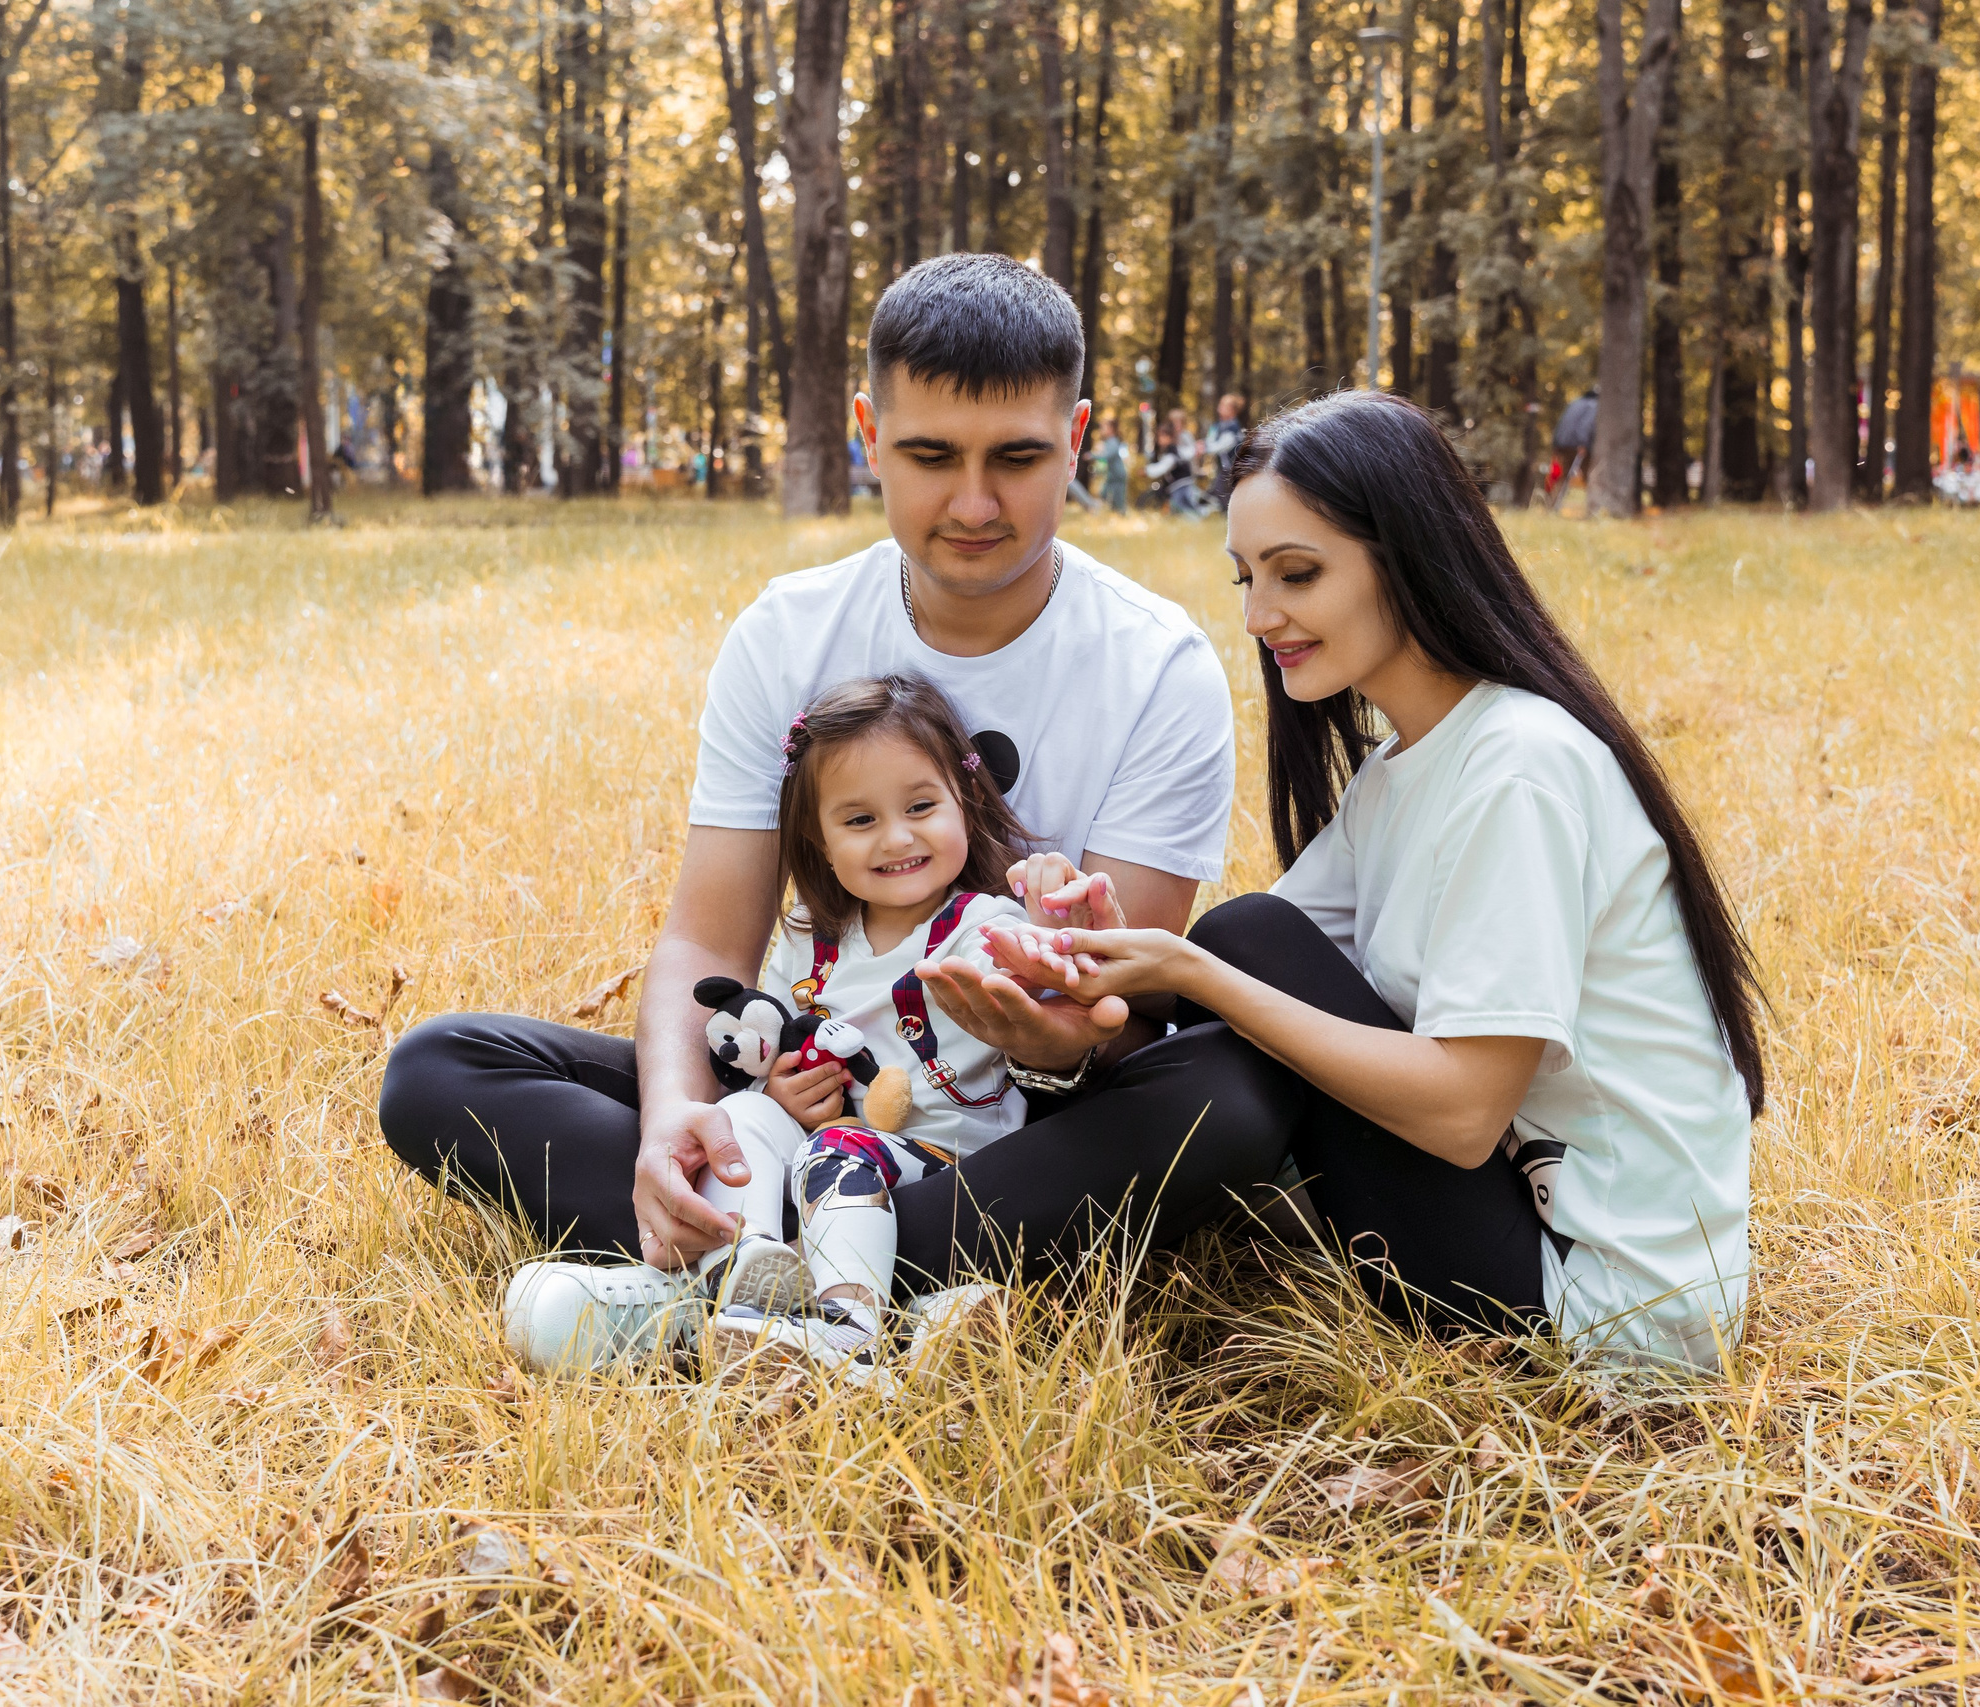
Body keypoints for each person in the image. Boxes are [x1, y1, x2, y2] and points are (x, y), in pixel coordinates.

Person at [377, 252, 1285, 1370]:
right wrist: (670, 1124)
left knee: (1235, 1099)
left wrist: (1045, 1033)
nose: (973, 503)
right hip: (813, 1080)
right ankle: (869, 1293)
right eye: (928, 455)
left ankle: (721, 1289)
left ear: (1079, 439)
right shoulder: (788, 631)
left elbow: (1120, 1012)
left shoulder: (1156, 664)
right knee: (439, 1070)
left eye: (1017, 458)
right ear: (867, 432)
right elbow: (709, 940)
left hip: (1011, 1125)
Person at [983, 390, 1764, 1368]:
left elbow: (1463, 1112)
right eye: (1246, 580)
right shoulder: (1408, 767)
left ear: (1404, 554)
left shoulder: (1518, 767)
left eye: (1297, 574)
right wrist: (1093, 935)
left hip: (1602, 1308)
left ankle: (902, 1245)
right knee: (1241, 952)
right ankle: (924, 1234)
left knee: (1233, 960)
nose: (1261, 616)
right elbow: (1246, 969)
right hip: (1520, 1228)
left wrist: (1190, 975)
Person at [666, 674, 1043, 1381]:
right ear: (818, 836)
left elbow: (1039, 998)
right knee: (737, 1112)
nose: (897, 837)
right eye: (860, 820)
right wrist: (779, 1089)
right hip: (814, 1166)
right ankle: (742, 1269)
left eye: (922, 806)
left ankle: (851, 1330)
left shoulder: (987, 927)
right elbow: (770, 1037)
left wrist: (1050, 934)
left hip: (945, 1166)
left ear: (964, 800)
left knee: (839, 1146)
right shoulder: (811, 934)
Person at [1091, 417, 1132, 511]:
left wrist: (1092, 455)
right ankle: (1114, 513)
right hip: (1112, 474)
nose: (1101, 430)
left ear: (1111, 429)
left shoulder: (1113, 442)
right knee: (1104, 494)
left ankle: (1122, 516)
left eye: (1103, 428)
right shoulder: (1108, 442)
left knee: (1119, 499)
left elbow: (1107, 456)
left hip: (1118, 474)